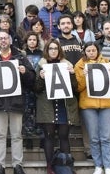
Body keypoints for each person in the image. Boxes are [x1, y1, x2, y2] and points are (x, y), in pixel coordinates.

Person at [0, 31, 35, 174]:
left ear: (10, 40)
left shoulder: (20, 57)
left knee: (17, 134)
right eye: (0, 39)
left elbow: (32, 79)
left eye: (5, 38)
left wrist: (25, 72)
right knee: (0, 134)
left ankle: (18, 164)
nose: (3, 41)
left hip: (16, 101)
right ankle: (0, 165)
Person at [34, 39, 79, 174]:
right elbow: (36, 88)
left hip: (64, 104)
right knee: (49, 136)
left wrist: (72, 75)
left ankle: (66, 165)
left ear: (59, 50)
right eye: (50, 48)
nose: (53, 51)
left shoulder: (67, 65)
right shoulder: (41, 65)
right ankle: (50, 166)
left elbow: (75, 88)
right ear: (47, 51)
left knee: (64, 135)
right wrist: (41, 78)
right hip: (48, 105)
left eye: (55, 48)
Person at [75, 42, 110, 174]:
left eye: (94, 50)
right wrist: (84, 75)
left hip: (107, 105)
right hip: (88, 105)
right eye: (89, 50)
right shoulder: (79, 65)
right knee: (93, 137)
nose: (91, 52)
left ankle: (108, 166)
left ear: (97, 51)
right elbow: (78, 88)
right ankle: (98, 165)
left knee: (106, 137)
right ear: (85, 52)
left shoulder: (106, 62)